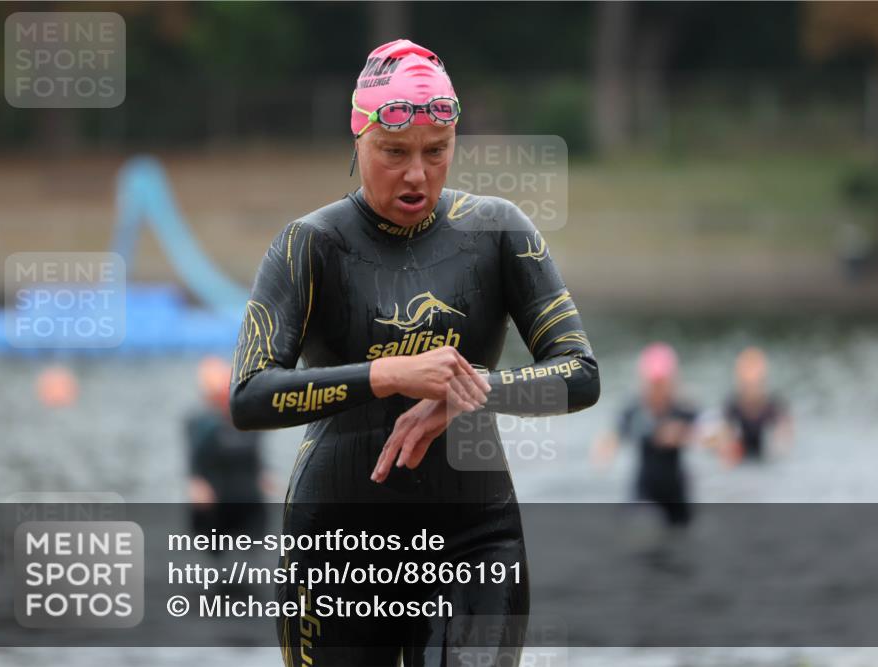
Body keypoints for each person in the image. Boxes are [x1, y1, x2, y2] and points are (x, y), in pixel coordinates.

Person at [228, 39, 600, 667]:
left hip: (475, 543)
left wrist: (470, 392)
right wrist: (387, 374)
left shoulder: (498, 230)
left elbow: (580, 374)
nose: (418, 175)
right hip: (336, 551)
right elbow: (249, 397)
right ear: (358, 140)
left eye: (437, 151)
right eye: (394, 152)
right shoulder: (309, 245)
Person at [592, 343, 696, 527]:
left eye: (662, 383)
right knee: (641, 527)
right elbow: (615, 434)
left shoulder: (683, 409)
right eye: (653, 384)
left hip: (676, 491)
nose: (658, 390)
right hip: (644, 490)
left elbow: (709, 432)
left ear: (672, 382)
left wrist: (682, 435)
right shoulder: (634, 410)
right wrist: (606, 447)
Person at [186, 356, 270, 548]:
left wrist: (263, 474)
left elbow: (256, 453)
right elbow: (193, 455)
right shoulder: (201, 423)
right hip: (215, 496)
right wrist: (196, 481)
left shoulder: (250, 418)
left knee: (253, 544)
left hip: (247, 495)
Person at [720, 346, 793, 464]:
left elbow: (784, 440)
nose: (751, 379)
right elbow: (724, 440)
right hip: (741, 460)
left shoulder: (774, 406)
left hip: (766, 460)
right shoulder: (731, 406)